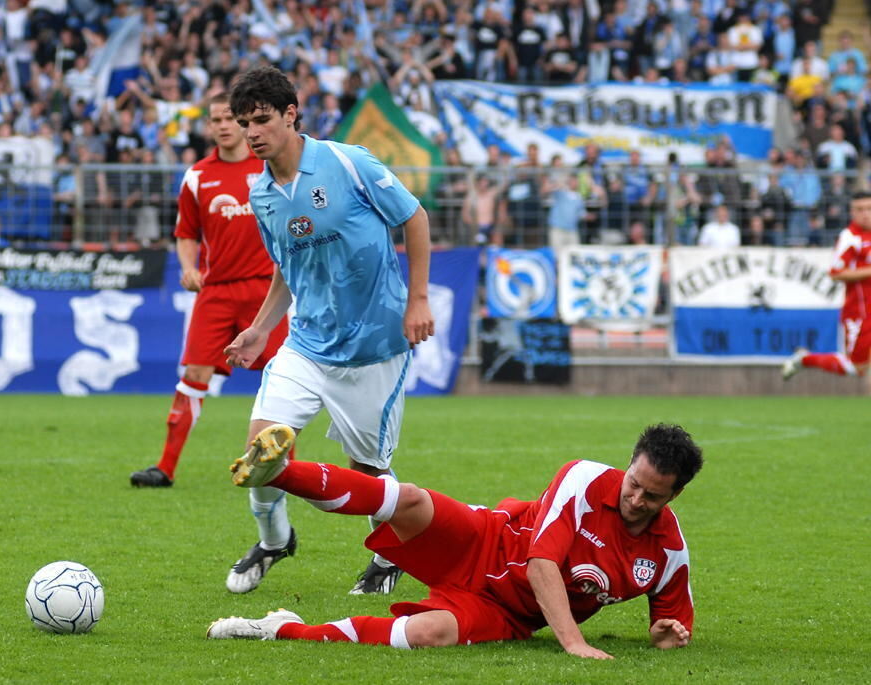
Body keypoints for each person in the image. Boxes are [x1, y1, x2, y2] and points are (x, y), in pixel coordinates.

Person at [208, 422, 703, 656]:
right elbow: (541, 564)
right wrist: (572, 642)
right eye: (633, 483)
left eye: (652, 496)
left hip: (507, 612)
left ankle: (278, 628)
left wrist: (666, 636)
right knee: (410, 500)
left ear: (675, 494)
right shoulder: (586, 479)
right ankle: (276, 472)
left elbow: (672, 625)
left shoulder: (668, 552)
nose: (636, 498)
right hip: (484, 541)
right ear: (629, 464)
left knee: (426, 637)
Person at [222, 66, 434, 596]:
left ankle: (389, 558)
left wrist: (419, 301)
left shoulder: (347, 161)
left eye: (262, 119)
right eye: (244, 122)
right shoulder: (263, 196)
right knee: (260, 455)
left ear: (291, 115)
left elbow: (415, 218)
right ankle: (275, 541)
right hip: (307, 346)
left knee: (366, 475)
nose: (252, 132)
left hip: (374, 349)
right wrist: (257, 329)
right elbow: (286, 273)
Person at [129, 92, 289, 488]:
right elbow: (186, 233)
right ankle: (165, 467)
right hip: (215, 291)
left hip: (265, 291)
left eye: (228, 118)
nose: (221, 125)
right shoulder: (198, 175)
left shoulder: (269, 168)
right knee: (195, 373)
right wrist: (188, 268)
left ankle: (285, 472)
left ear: (242, 123)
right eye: (214, 119)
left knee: (283, 378)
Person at [783, 192, 871, 379]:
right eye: (860, 209)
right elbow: (835, 273)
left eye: (869, 208)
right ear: (852, 212)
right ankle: (804, 359)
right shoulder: (850, 238)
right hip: (860, 312)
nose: (866, 213)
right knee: (855, 368)